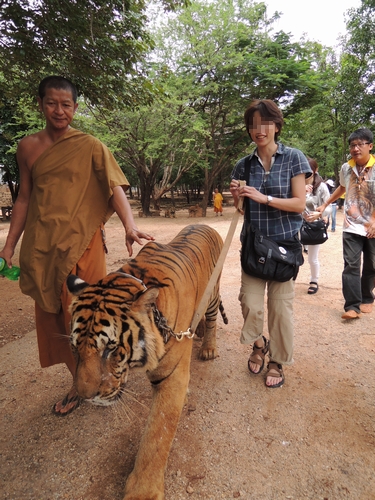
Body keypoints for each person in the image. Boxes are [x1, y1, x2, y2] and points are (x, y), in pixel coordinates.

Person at [0, 76, 154, 415]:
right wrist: (9, 245)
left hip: (84, 247)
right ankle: (78, 382)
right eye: (52, 103)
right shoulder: (27, 148)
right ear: (40, 104)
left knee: (89, 319)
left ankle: (100, 379)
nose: (59, 110)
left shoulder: (90, 145)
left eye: (66, 104)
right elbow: (24, 198)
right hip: (42, 248)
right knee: (59, 320)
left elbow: (115, 187)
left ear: (75, 108)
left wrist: (129, 225)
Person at [230, 99, 311, 388]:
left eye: (264, 123)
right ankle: (260, 343)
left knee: (280, 309)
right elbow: (240, 210)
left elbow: (300, 203)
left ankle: (276, 360)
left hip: (285, 248)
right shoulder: (243, 165)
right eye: (252, 124)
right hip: (254, 247)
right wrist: (238, 197)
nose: (258, 129)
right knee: (249, 304)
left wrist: (264, 198)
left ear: (276, 126)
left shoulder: (294, 158)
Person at [317, 128, 375, 320]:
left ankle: (367, 295)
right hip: (351, 226)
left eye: (360, 144)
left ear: (370, 146)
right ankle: (352, 305)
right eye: (352, 145)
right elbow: (342, 187)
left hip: (373, 226)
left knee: (372, 265)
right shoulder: (345, 168)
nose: (356, 148)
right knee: (351, 265)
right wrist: (326, 203)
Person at [303, 159, 331, 295]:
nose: (305, 173)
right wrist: (301, 192)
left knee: (312, 258)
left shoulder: (321, 187)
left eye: (308, 170)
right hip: (297, 225)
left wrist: (319, 214)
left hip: (313, 227)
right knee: (293, 253)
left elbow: (328, 207)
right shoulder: (296, 184)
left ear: (315, 170)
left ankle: (314, 280)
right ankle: (289, 279)